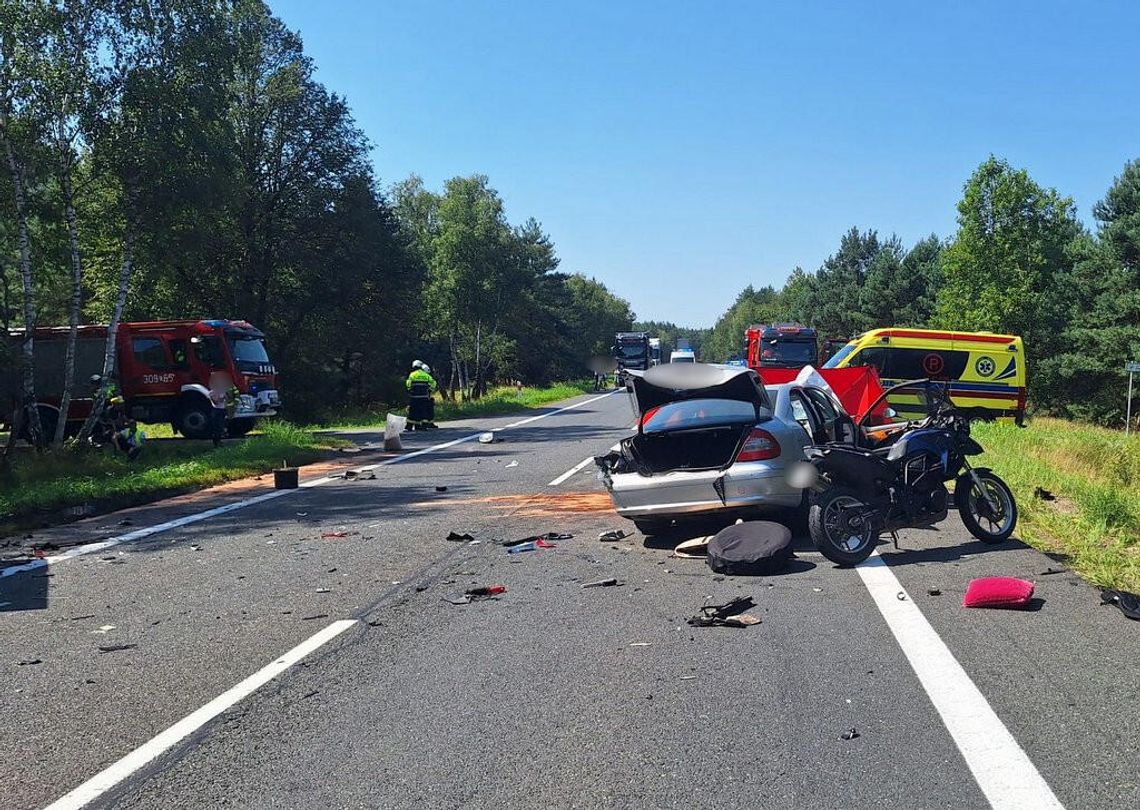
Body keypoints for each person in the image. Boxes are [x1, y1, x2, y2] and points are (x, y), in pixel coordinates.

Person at [406, 360, 438, 430]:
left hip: (414, 396)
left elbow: (408, 383)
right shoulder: (426, 375)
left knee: (413, 411)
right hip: (424, 396)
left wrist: (409, 390)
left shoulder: (412, 374)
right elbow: (433, 383)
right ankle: (423, 426)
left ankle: (410, 426)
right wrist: (430, 390)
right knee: (424, 411)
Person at [208, 371, 231, 447]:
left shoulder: (224, 391)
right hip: (216, 411)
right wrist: (222, 397)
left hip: (223, 410)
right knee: (217, 426)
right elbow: (216, 402)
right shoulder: (212, 392)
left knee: (221, 426)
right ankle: (216, 442)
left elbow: (228, 399)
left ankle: (220, 440)